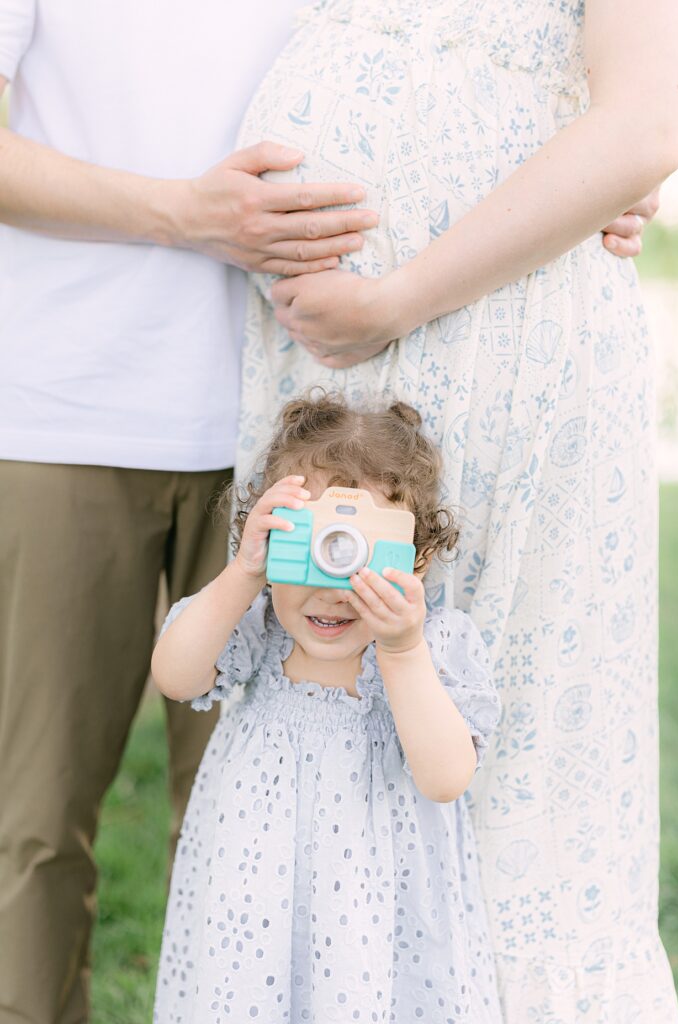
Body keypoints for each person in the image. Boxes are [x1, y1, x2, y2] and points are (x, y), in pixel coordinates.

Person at [233, 0, 678, 1019]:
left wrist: (395, 299)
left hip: (496, 340)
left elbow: (642, 124)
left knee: (493, 726)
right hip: (330, 359)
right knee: (328, 710)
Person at [0, 3, 381, 1021]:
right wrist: (185, 212)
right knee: (28, 825)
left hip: (294, 432)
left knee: (257, 827)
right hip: (61, 416)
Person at [151, 392, 503, 1022]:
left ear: (417, 558)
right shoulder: (256, 628)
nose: (333, 586)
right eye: (312, 545)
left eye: (363, 552)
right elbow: (175, 678)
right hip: (256, 902)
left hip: (377, 920)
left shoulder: (433, 647)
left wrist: (401, 649)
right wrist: (243, 575)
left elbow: (447, 778)